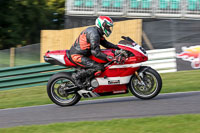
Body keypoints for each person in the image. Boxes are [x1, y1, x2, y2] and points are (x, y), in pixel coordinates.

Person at [69, 16, 120, 89]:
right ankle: (76, 77)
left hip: (85, 53)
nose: (108, 29)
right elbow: (96, 53)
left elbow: (105, 43)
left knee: (102, 63)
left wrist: (117, 47)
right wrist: (108, 57)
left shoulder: (97, 32)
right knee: (98, 67)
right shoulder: (94, 34)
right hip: (78, 55)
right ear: (102, 25)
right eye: (108, 27)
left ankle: (89, 80)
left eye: (109, 27)